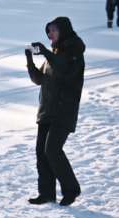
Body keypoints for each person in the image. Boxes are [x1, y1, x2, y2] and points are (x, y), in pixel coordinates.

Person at [25, 16, 85, 206]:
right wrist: (29, 60)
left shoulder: (74, 53)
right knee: (41, 153)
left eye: (53, 30)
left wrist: (46, 53)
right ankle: (47, 194)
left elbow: (65, 72)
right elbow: (38, 79)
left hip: (64, 111)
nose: (50, 34)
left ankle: (71, 190)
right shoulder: (55, 54)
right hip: (47, 110)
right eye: (48, 30)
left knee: (52, 150)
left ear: (64, 31)